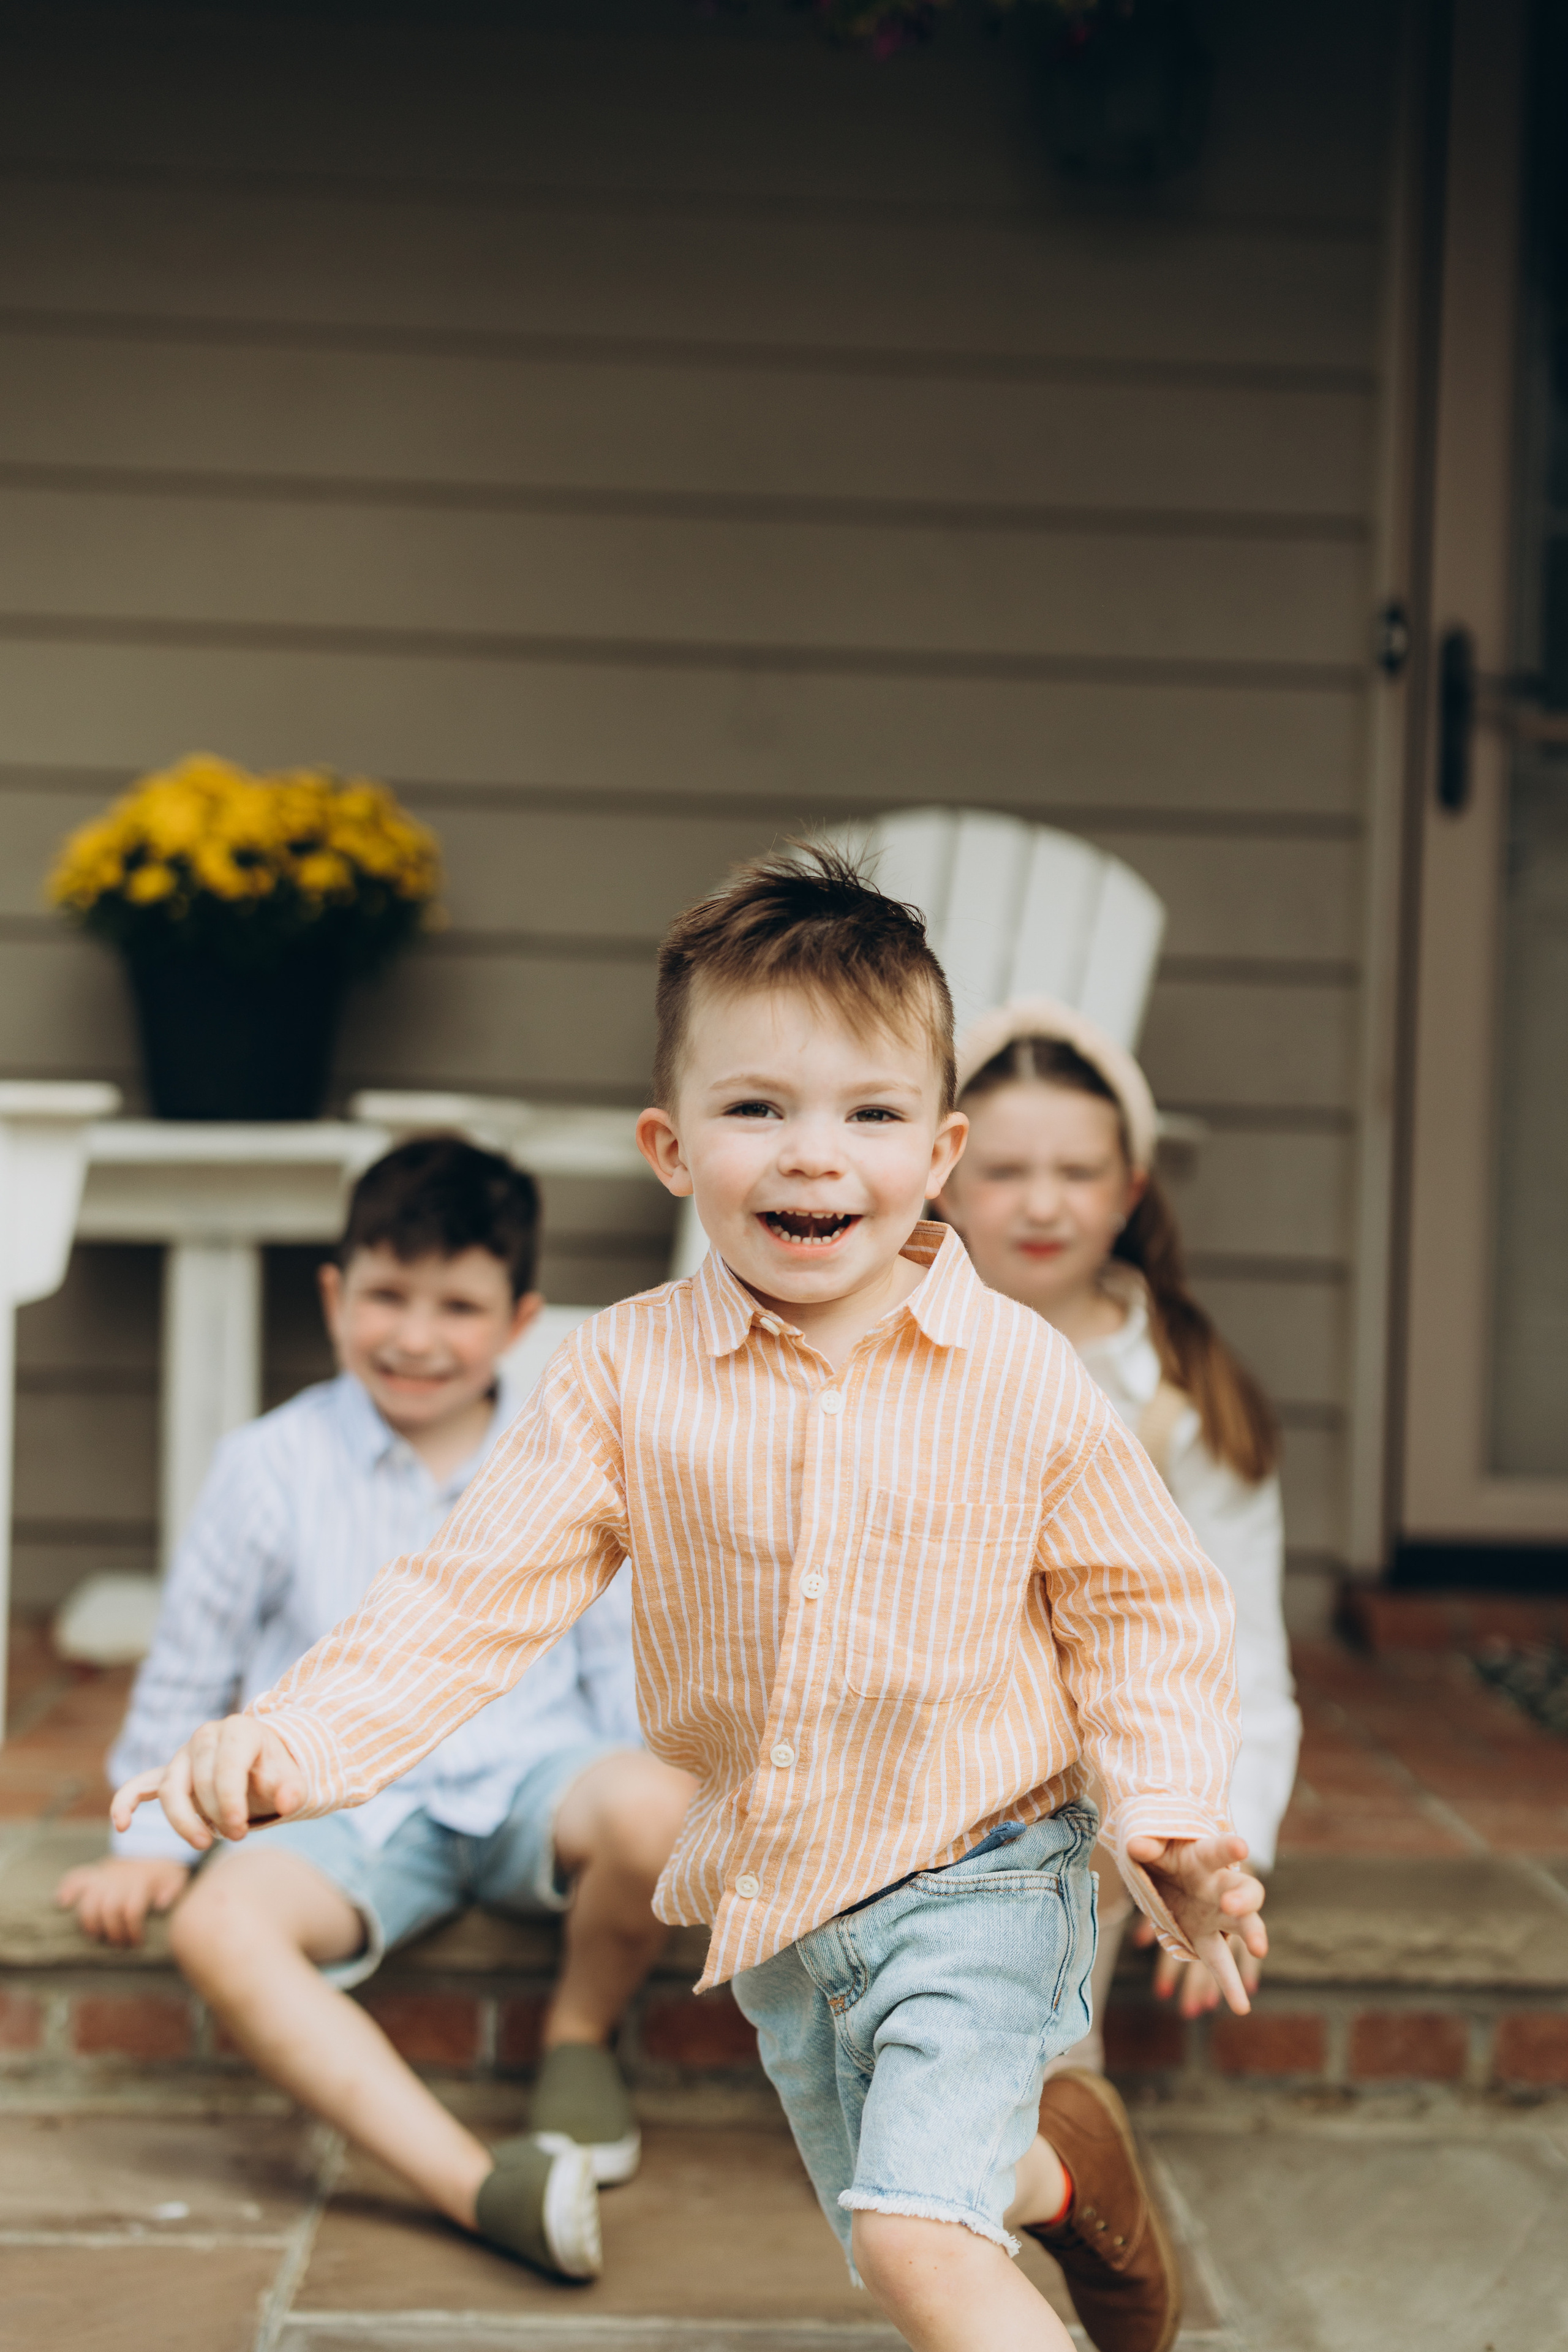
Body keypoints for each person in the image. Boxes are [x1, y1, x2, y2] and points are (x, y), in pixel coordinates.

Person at [112, 849, 1265, 2352]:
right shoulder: (615, 1376)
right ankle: (1072, 2175)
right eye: (756, 1109)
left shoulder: (1015, 1376)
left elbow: (1140, 1603)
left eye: (869, 1113)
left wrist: (1165, 1804)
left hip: (985, 1865)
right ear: (668, 1145)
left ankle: (1017, 2189)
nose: (812, 1155)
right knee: (909, 2221)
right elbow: (468, 1597)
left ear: (940, 1151)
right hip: (784, 1899)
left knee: (920, 2250)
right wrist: (293, 1739)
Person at [62, 1136, 694, 2283]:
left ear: (518, 1321)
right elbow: (193, 1663)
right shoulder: (268, 1465)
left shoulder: (568, 1459)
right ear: (335, 1292)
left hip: (533, 1777)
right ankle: (477, 2187)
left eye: (457, 1304)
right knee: (216, 1927)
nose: (414, 1334)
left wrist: (647, 1787)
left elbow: (620, 1659)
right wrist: (149, 1840)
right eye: (388, 1294)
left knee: (662, 1806)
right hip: (338, 1806)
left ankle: (577, 2040)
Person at [933, 999, 1301, 2060]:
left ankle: (1051, 2073)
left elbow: (1245, 1664)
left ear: (1131, 1191)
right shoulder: (881, 1359)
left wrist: (1219, 1853)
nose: (1043, 1204)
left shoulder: (1183, 1402)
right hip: (915, 1758)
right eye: (1004, 1171)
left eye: (1080, 1173)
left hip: (1085, 1786)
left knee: (1090, 1779)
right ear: (945, 1179)